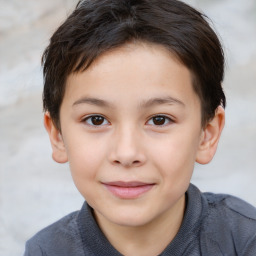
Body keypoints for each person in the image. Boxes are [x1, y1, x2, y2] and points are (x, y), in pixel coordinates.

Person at [24, 0, 256, 255]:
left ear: (207, 135)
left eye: (159, 120)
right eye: (96, 120)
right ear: (57, 135)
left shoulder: (243, 240)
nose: (126, 153)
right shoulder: (45, 251)